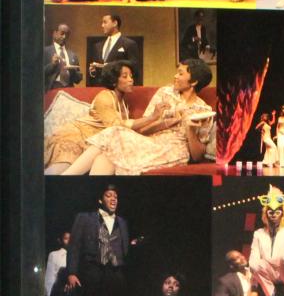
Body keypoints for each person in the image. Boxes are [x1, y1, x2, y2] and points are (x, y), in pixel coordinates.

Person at [68, 59, 215, 176]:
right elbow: (143, 130)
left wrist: (189, 129)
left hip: (172, 150)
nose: (175, 76)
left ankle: (65, 180)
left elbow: (196, 157)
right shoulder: (165, 93)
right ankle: (68, 179)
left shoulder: (203, 110)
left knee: (108, 154)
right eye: (177, 72)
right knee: (110, 142)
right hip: (147, 142)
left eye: (181, 73)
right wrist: (164, 123)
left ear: (194, 82)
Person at [88, 14, 138, 81]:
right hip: (100, 87)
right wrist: (93, 72)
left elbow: (134, 65)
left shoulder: (129, 44)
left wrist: (114, 64)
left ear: (115, 23)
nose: (102, 25)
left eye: (105, 22)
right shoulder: (98, 46)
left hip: (118, 86)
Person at [45, 23, 84, 91]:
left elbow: (78, 80)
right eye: (62, 33)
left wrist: (73, 71)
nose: (64, 37)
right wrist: (52, 65)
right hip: (51, 89)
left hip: (69, 90)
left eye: (67, 34)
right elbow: (38, 75)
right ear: (55, 33)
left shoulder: (73, 55)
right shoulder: (45, 52)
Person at [44, 230, 71, 296]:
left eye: (70, 239)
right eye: (66, 238)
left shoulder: (76, 256)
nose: (69, 241)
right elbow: (49, 278)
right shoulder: (54, 255)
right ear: (60, 240)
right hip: (59, 295)